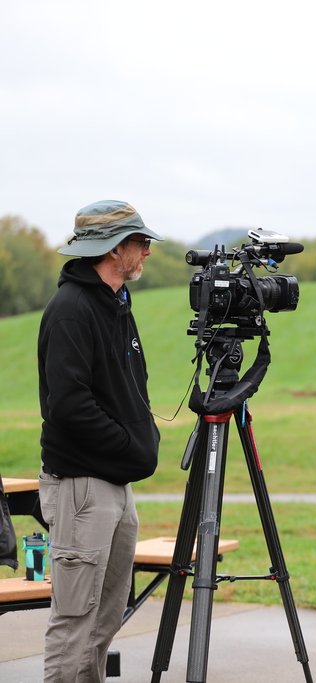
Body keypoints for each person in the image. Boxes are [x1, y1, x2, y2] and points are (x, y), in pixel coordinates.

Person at [38, 200, 164, 682]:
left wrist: (139, 442)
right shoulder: (71, 310)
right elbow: (68, 408)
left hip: (114, 484)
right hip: (82, 487)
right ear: (115, 249)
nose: (147, 252)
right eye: (141, 242)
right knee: (76, 621)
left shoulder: (114, 305)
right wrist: (132, 446)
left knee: (107, 617)